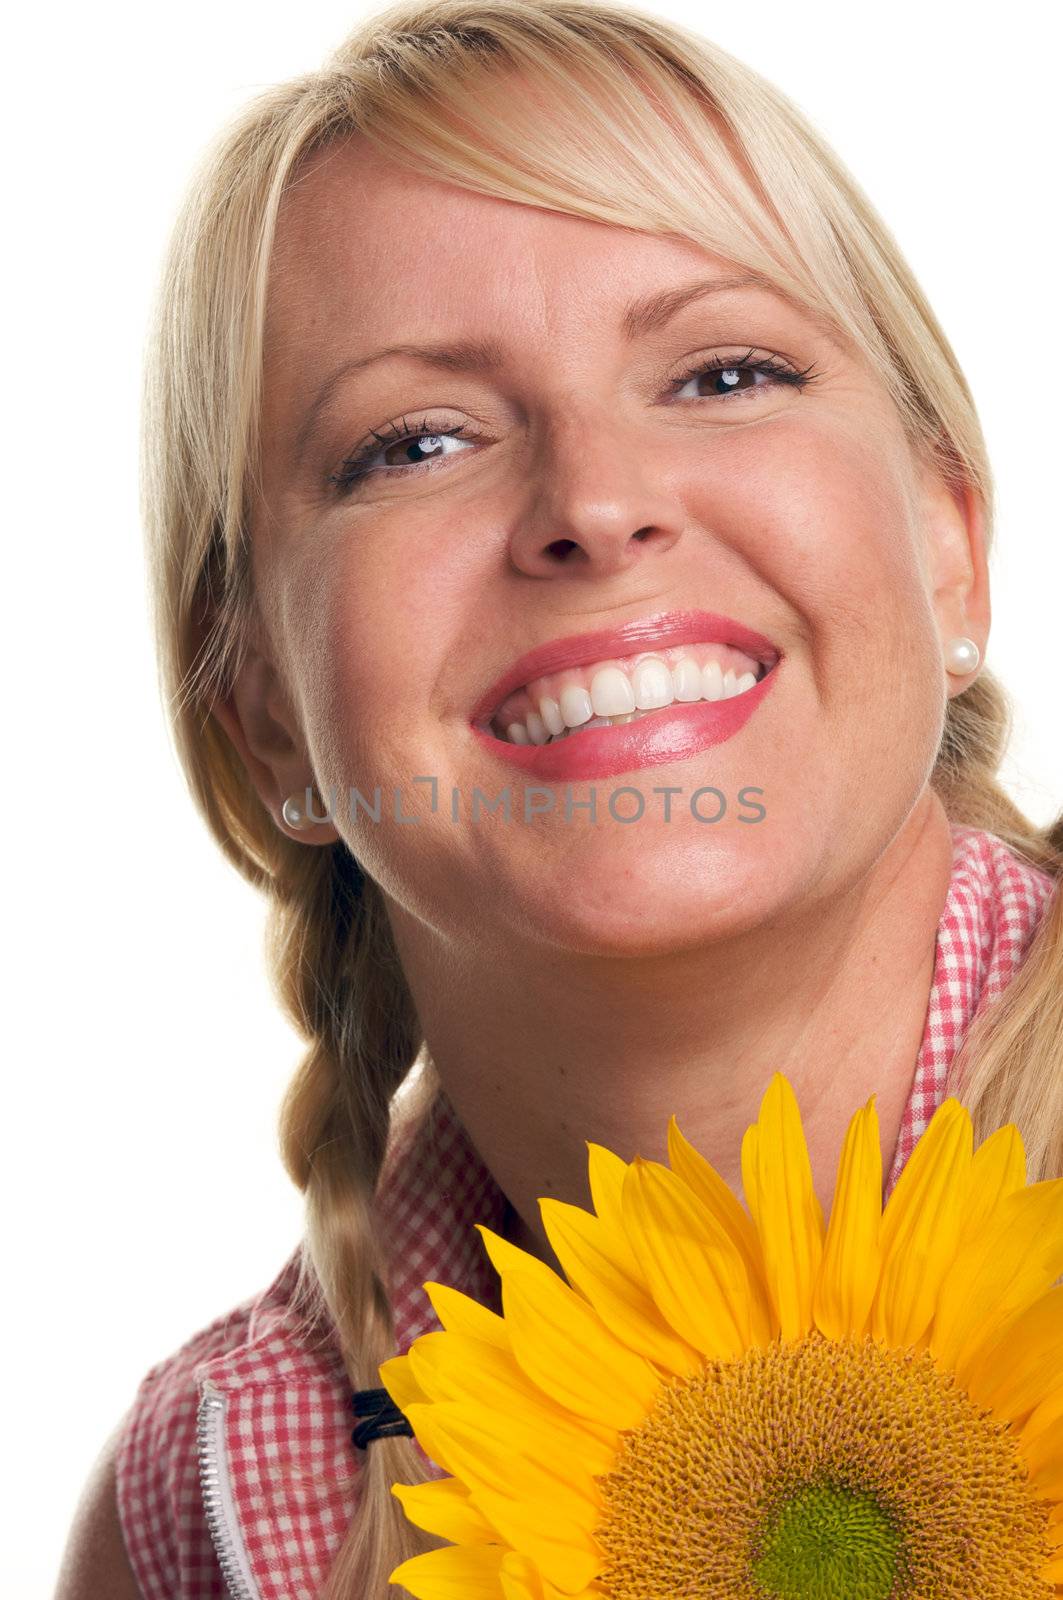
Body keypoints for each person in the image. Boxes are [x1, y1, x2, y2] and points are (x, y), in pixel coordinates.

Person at [54, 1, 1063, 1596]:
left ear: (952, 545)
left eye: (724, 372)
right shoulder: (216, 1521)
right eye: (415, 442)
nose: (594, 503)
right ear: (261, 718)